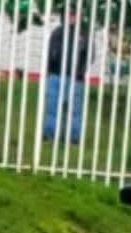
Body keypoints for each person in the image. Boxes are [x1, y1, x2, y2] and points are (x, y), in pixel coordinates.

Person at [44, 11, 90, 144]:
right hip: (56, 75)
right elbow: (50, 52)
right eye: (70, 15)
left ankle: (74, 137)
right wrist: (50, 70)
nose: (72, 18)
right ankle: (50, 134)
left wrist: (80, 71)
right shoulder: (57, 33)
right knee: (52, 108)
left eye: (75, 15)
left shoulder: (83, 34)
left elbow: (89, 55)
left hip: (75, 78)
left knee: (74, 110)